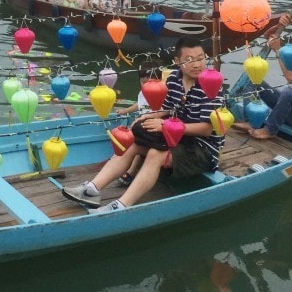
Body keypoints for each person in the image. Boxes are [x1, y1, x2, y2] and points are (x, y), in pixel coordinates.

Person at [62, 37, 223, 212]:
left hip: (202, 150)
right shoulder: (174, 81)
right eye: (189, 60)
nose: (197, 64)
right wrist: (148, 117)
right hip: (176, 139)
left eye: (200, 58)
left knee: (155, 153)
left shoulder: (210, 85)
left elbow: (207, 129)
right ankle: (92, 190)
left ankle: (121, 205)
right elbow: (168, 109)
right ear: (177, 61)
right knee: (133, 140)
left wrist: (164, 126)